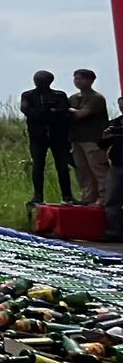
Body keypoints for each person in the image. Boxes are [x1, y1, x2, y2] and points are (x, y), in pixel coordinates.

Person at [21, 70, 77, 206]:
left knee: (62, 166)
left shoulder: (59, 95)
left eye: (43, 81)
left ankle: (67, 196)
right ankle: (38, 196)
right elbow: (29, 112)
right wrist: (46, 109)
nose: (40, 83)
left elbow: (64, 113)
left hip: (59, 136)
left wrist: (51, 111)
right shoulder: (28, 95)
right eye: (38, 80)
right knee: (38, 166)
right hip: (37, 137)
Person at [69, 69, 112, 206]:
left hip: (93, 139)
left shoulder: (96, 98)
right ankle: (88, 197)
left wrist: (66, 109)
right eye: (75, 78)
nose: (77, 81)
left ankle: (104, 198)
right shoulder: (74, 98)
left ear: (91, 81)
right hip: (77, 139)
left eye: (81, 78)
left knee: (99, 170)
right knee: (83, 171)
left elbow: (82, 114)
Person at [101, 97, 123, 242]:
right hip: (117, 164)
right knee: (112, 199)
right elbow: (101, 145)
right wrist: (106, 136)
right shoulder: (115, 123)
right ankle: (113, 231)